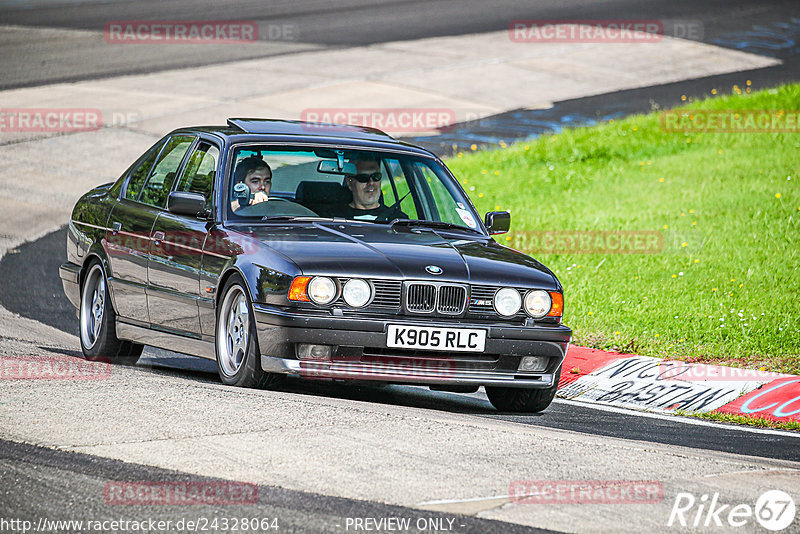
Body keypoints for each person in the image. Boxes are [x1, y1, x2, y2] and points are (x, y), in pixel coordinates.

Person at [338, 157, 408, 221]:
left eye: (376, 177)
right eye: (363, 178)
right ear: (349, 183)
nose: (371, 183)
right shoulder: (333, 218)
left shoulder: (399, 221)